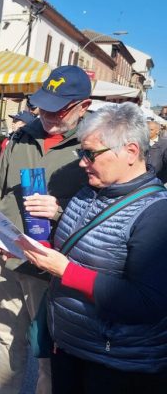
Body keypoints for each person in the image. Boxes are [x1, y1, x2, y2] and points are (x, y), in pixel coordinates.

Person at [16, 102, 167, 393]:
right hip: (70, 347)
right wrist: (34, 248)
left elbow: (147, 303)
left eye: (90, 154)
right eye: (81, 153)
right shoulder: (88, 192)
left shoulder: (156, 213)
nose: (83, 162)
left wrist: (66, 271)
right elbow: (70, 247)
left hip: (117, 364)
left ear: (131, 152)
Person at [0, 65, 92, 394]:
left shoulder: (94, 145)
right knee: (7, 342)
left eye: (57, 108)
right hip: (5, 258)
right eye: (42, 105)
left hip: (51, 269)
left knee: (49, 355)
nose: (45, 114)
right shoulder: (21, 135)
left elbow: (105, 212)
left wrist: (59, 209)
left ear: (83, 106)